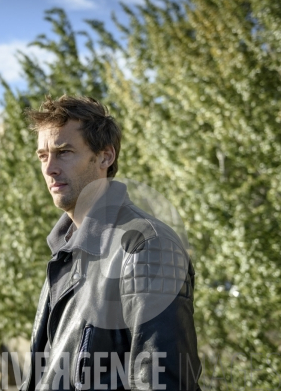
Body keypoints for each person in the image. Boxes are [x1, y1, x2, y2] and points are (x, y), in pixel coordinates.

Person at [20, 95, 202, 390]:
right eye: (43, 155)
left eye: (64, 152)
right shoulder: (65, 250)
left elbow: (164, 382)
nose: (49, 168)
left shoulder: (146, 247)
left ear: (105, 156)